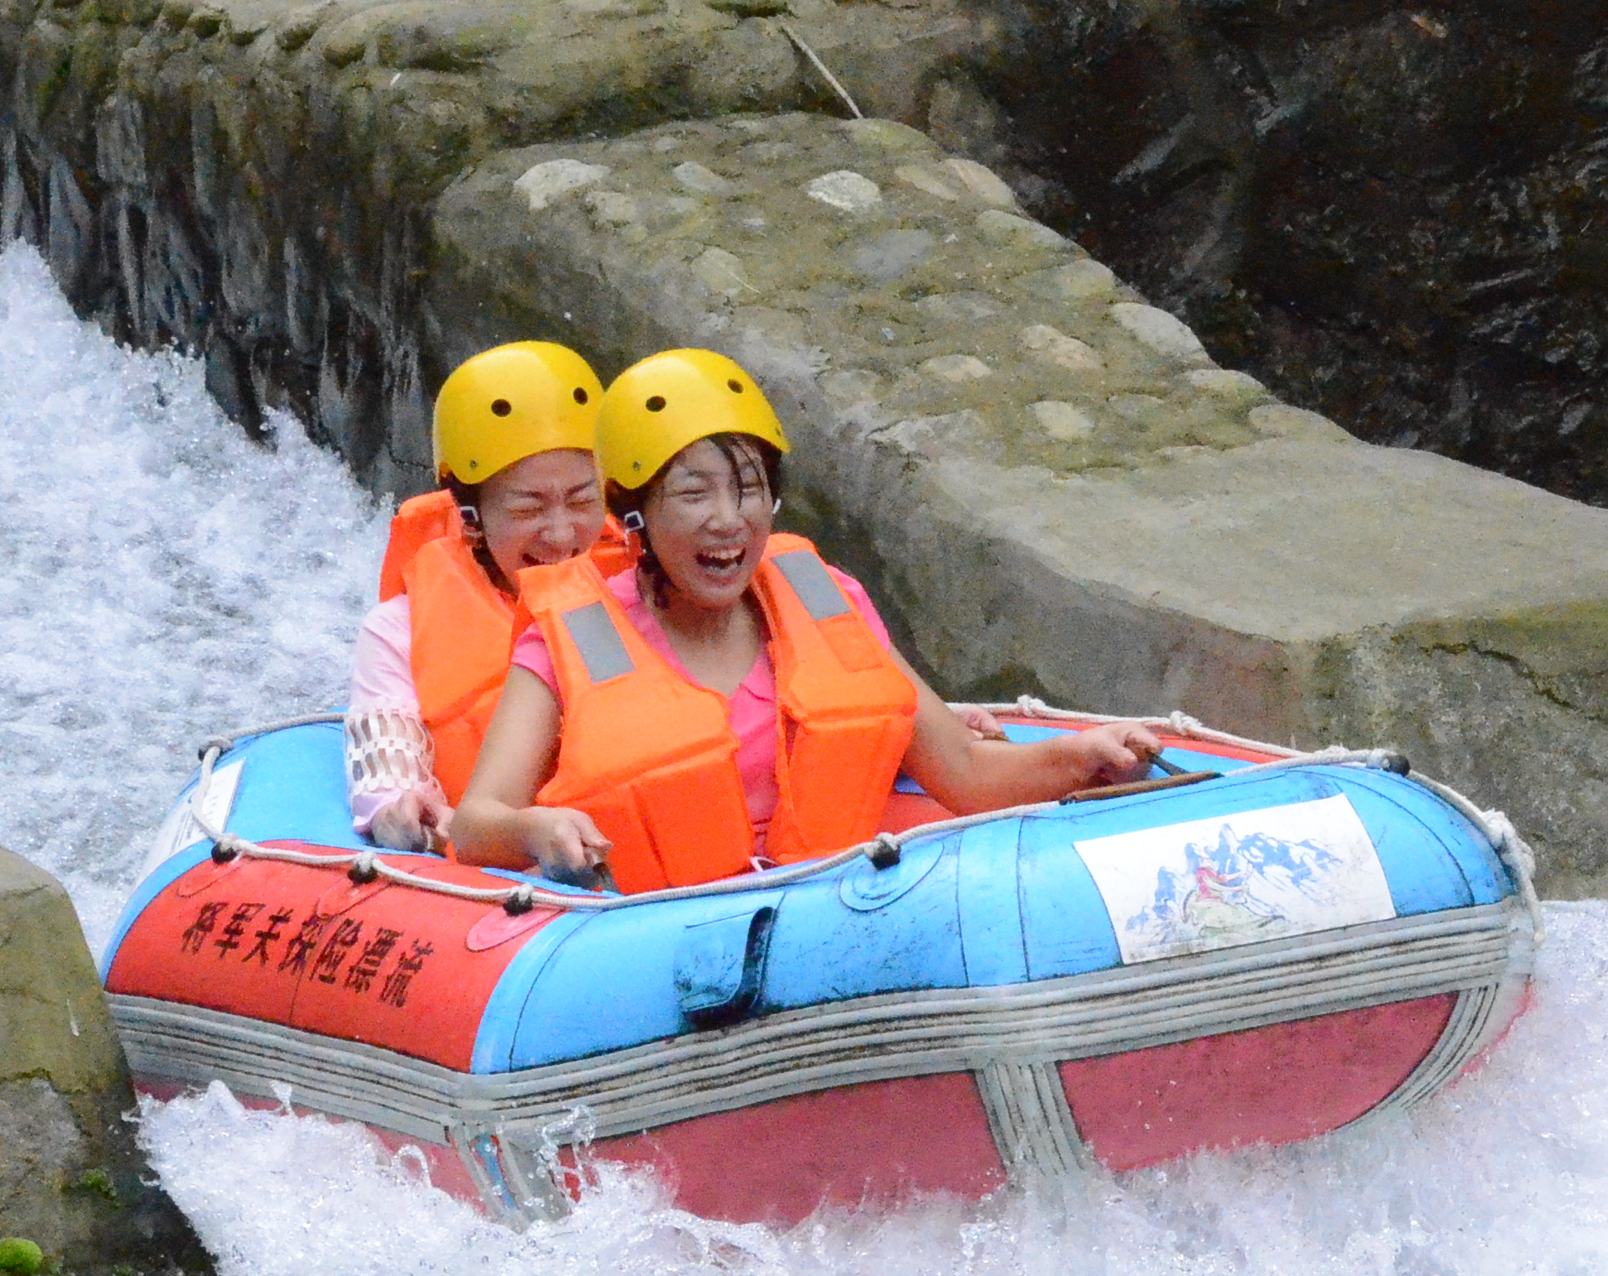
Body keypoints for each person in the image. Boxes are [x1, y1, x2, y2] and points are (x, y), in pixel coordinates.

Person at [444, 349, 1159, 891]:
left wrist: (1084, 757)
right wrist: (537, 829)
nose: (730, 521)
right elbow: (477, 825)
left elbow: (967, 772)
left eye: (750, 489)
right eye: (693, 493)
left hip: (831, 900)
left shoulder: (827, 600)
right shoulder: (569, 639)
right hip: (655, 929)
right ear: (635, 514)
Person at [341, 340, 619, 851]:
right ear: (471, 518)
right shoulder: (399, 630)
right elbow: (388, 771)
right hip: (509, 883)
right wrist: (402, 812)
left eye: (583, 500)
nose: (561, 535)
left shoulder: (650, 586)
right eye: (528, 509)